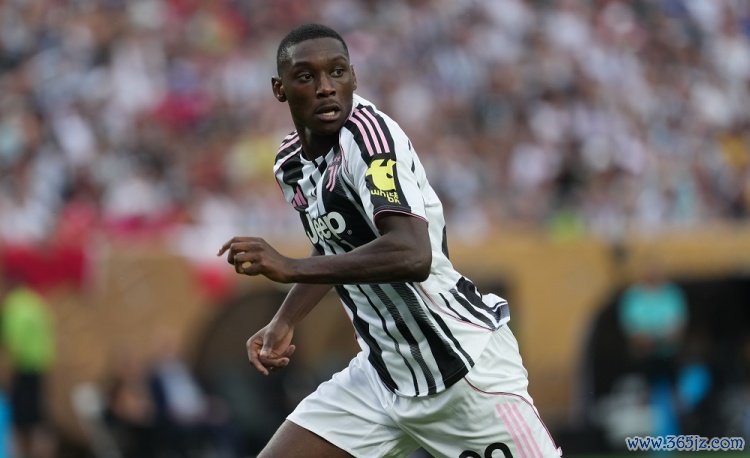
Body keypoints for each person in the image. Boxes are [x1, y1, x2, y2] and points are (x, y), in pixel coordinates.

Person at [218, 23, 560, 458]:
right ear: (279, 89)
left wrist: (289, 267)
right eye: (306, 76)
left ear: (354, 77)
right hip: (381, 377)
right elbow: (335, 246)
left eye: (337, 72)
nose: (325, 87)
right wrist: (286, 319)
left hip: (459, 369)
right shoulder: (290, 163)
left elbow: (412, 254)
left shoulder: (370, 141)